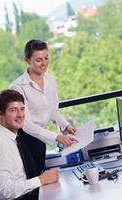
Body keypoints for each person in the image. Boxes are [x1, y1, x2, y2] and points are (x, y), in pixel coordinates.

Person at [10, 39, 77, 173]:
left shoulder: (50, 79)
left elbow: (53, 110)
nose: (44, 63)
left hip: (40, 137)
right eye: (39, 60)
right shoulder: (18, 87)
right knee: (32, 180)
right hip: (24, 140)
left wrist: (66, 126)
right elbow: (26, 125)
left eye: (46, 58)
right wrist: (57, 137)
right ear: (27, 60)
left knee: (40, 176)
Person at [0, 89, 59, 200]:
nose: (20, 115)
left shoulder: (13, 138)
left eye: (22, 109)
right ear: (1, 114)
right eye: (13, 110)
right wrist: (41, 180)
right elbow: (6, 191)